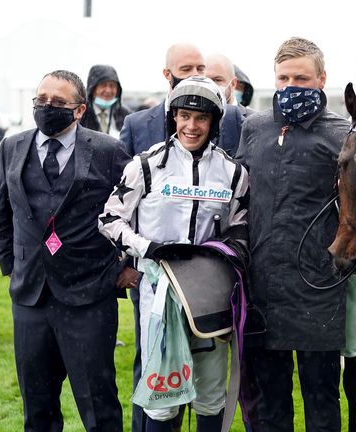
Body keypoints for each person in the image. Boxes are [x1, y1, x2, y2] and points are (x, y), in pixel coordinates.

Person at [99, 75, 249, 432]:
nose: (191, 126)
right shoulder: (145, 166)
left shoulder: (233, 173)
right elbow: (109, 219)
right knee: (163, 402)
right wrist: (145, 248)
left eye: (201, 119)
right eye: (183, 116)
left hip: (210, 300)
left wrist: (230, 260)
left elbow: (240, 229)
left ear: (214, 122)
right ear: (172, 118)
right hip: (158, 300)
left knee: (211, 397)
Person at [0, 69, 131, 431]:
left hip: (89, 295)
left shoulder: (107, 150)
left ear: (80, 110)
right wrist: (13, 265)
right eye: (41, 100)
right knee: (37, 408)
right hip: (30, 296)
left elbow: (135, 209)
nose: (47, 107)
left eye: (57, 102)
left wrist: (127, 264)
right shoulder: (12, 146)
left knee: (99, 406)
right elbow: (1, 211)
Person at [236, 36, 350, 432]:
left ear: (321, 79)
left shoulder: (342, 133)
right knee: (270, 405)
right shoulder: (254, 128)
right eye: (283, 77)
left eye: (301, 78)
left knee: (321, 398)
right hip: (262, 284)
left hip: (319, 285)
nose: (291, 86)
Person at [205, 53, 251, 155]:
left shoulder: (254, 121)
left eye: (217, 80)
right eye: (206, 80)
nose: (211, 86)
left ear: (233, 83)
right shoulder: (192, 121)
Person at [80, 64, 132, 139]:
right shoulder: (81, 114)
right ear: (93, 88)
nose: (108, 90)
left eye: (112, 85)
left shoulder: (125, 115)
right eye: (103, 85)